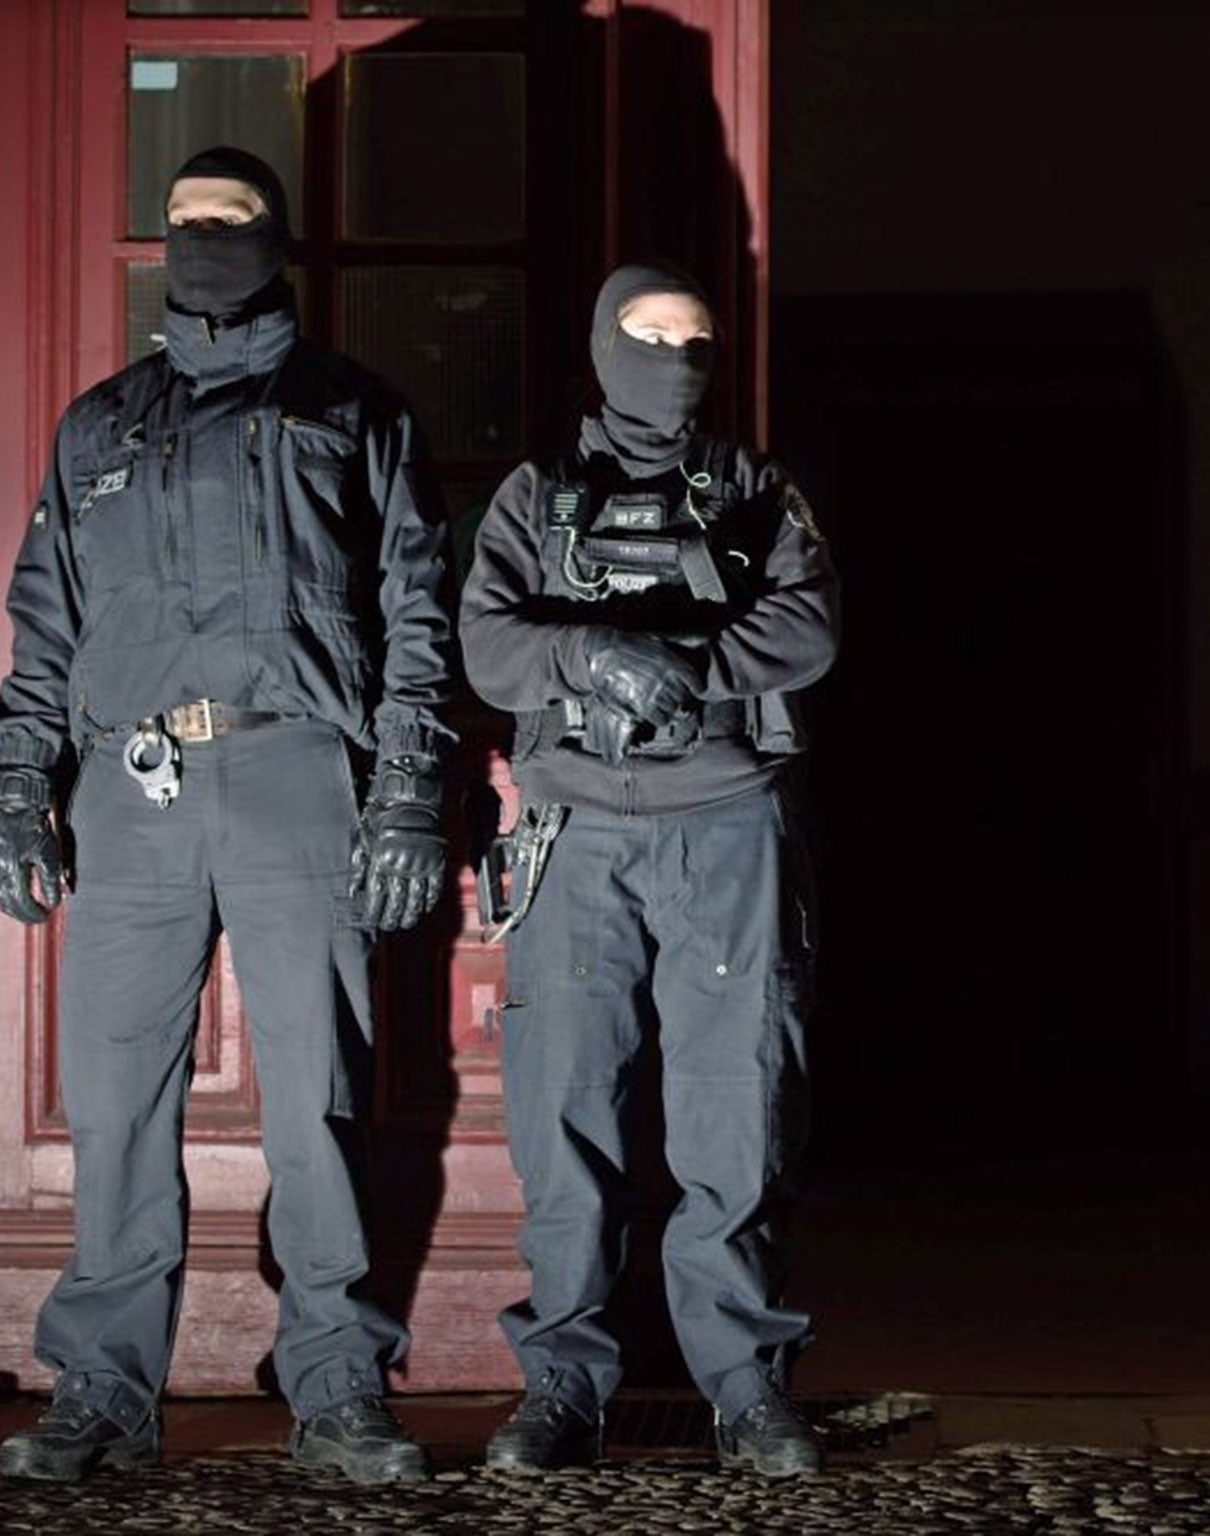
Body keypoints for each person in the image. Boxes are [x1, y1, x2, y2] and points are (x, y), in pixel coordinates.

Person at [0, 147, 454, 1485]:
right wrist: (19, 782)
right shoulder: (99, 426)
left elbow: (419, 609)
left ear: (279, 241)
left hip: (300, 773)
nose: (205, 241)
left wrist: (409, 787)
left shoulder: (355, 412)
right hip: (130, 793)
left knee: (320, 1095)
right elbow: (43, 626)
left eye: (231, 220)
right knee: (118, 1096)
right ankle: (105, 1392)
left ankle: (341, 1381)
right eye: (183, 220)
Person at [460, 261, 838, 1478]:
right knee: (564, 1112)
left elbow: (808, 625)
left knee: (735, 1110)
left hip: (724, 822)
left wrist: (683, 658)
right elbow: (484, 640)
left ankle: (744, 1387)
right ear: (600, 345)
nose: (672, 359)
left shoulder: (754, 487)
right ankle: (563, 1389)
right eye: (646, 334)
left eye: (693, 338)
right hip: (576, 828)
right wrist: (590, 658)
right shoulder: (539, 494)